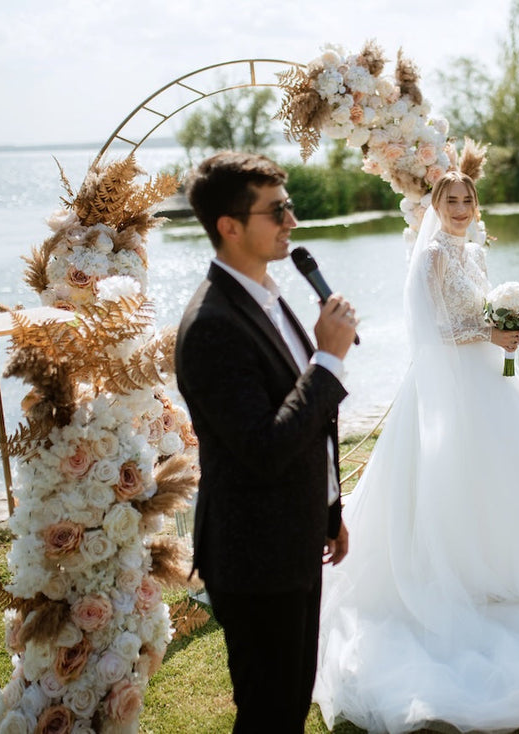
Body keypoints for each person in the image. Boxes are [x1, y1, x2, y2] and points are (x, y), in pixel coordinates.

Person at [313, 170, 519, 733]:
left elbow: (482, 313)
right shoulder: (428, 260)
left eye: (467, 200)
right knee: (452, 477)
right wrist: (489, 334)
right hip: (446, 384)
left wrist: (508, 325)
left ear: (475, 206)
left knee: (515, 474)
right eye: (450, 200)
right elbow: (431, 334)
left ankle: (517, 564)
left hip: (490, 379)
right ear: (434, 205)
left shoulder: (474, 253)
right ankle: (458, 577)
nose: (459, 207)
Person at [174, 151, 356, 733]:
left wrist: (329, 510)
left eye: (290, 207)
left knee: (290, 704)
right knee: (269, 714)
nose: (291, 222)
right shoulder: (211, 326)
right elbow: (265, 446)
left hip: (296, 534)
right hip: (254, 554)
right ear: (229, 227)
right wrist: (328, 357)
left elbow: (308, 425)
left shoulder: (270, 294)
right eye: (276, 211)